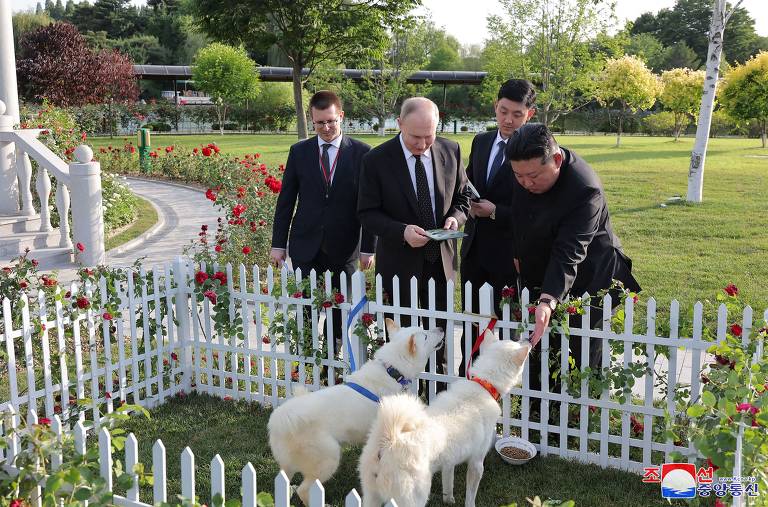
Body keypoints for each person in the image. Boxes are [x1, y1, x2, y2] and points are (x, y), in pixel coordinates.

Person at [505, 123, 641, 400]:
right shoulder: (525, 171)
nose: (525, 183)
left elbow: (570, 251)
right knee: (542, 352)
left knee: (583, 357)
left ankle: (583, 416)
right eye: (518, 176)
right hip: (546, 274)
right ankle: (541, 415)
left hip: (591, 280)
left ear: (556, 160)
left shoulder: (584, 189)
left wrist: (548, 300)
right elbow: (520, 217)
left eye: (532, 176)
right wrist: (519, 256)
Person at [357, 97, 469, 390]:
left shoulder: (450, 150)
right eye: (415, 137)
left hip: (441, 263)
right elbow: (367, 214)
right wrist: (401, 231)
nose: (422, 144)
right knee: (403, 340)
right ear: (400, 124)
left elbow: (463, 197)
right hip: (399, 265)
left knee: (439, 335)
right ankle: (404, 396)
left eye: (428, 136)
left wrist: (455, 219)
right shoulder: (376, 160)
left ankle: (439, 394)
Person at [270, 90, 375, 351]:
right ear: (312, 120)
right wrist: (278, 244)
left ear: (341, 116)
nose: (326, 128)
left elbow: (371, 205)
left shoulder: (363, 153)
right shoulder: (299, 152)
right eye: (319, 123)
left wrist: (368, 248)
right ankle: (307, 360)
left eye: (331, 121)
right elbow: (286, 202)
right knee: (307, 308)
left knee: (338, 311)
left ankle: (333, 360)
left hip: (344, 248)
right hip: (306, 246)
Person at [458, 79, 537, 377]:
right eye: (503, 111)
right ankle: (468, 375)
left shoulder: (534, 147)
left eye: (517, 114)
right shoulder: (481, 141)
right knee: (472, 321)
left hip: (510, 251)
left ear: (529, 114)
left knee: (504, 326)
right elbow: (467, 182)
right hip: (474, 248)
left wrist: (496, 213)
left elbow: (537, 206)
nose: (508, 120)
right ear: (495, 106)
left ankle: (501, 383)